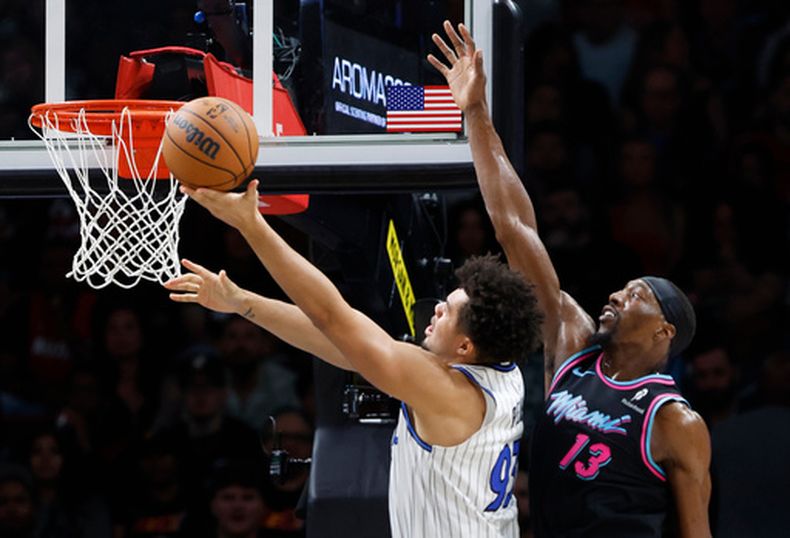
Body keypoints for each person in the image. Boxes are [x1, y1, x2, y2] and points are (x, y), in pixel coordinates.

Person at [427, 21, 711, 537]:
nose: (617, 295)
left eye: (637, 294)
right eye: (622, 288)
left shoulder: (674, 419)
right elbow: (515, 229)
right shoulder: (573, 344)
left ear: (664, 331)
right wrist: (475, 112)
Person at [164, 206, 543, 534]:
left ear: (465, 346)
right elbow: (335, 344)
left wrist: (252, 224)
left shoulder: (445, 390)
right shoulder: (504, 372)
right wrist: (242, 302)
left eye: (449, 311)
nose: (437, 309)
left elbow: (331, 316)